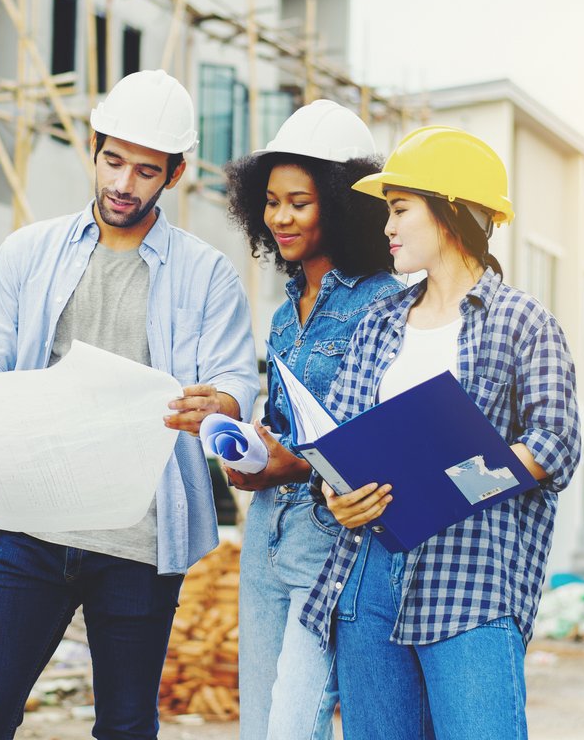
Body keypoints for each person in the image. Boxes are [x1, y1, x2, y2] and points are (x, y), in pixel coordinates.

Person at [0, 69, 259, 738]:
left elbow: (236, 375)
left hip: (138, 539)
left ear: (173, 176)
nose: (123, 184)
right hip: (31, 525)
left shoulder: (207, 274)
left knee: (124, 726)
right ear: (92, 150)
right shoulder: (27, 252)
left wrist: (222, 400)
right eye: (112, 161)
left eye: (145, 171)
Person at [299, 126, 581, 739]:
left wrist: (453, 486)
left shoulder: (524, 322)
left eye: (400, 210)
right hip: (368, 576)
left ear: (452, 213)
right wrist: (337, 497)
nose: (387, 227)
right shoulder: (378, 322)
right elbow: (338, 439)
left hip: (471, 578)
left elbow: (555, 443)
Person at [221, 100, 400, 740]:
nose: (280, 217)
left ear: (342, 202)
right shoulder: (281, 313)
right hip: (267, 535)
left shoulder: (386, 302)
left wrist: (293, 461)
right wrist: (251, 458)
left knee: (293, 726)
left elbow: (385, 435)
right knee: (260, 726)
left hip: (333, 540)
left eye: (298, 201)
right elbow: (282, 426)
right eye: (271, 201)